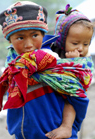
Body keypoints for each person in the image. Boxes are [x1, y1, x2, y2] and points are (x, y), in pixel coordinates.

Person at [0, 2, 94, 139]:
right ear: (9, 41)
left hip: (54, 133)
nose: (28, 45)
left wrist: (68, 126)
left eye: (35, 35)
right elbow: (14, 92)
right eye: (20, 38)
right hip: (24, 133)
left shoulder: (51, 59)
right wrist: (14, 118)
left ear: (43, 35)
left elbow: (77, 94)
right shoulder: (13, 63)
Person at [45, 4, 95, 139]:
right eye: (75, 43)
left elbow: (84, 73)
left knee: (69, 101)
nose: (80, 48)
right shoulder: (51, 52)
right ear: (61, 40)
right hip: (51, 101)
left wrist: (74, 62)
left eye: (86, 44)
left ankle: (66, 127)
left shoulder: (83, 58)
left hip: (71, 94)